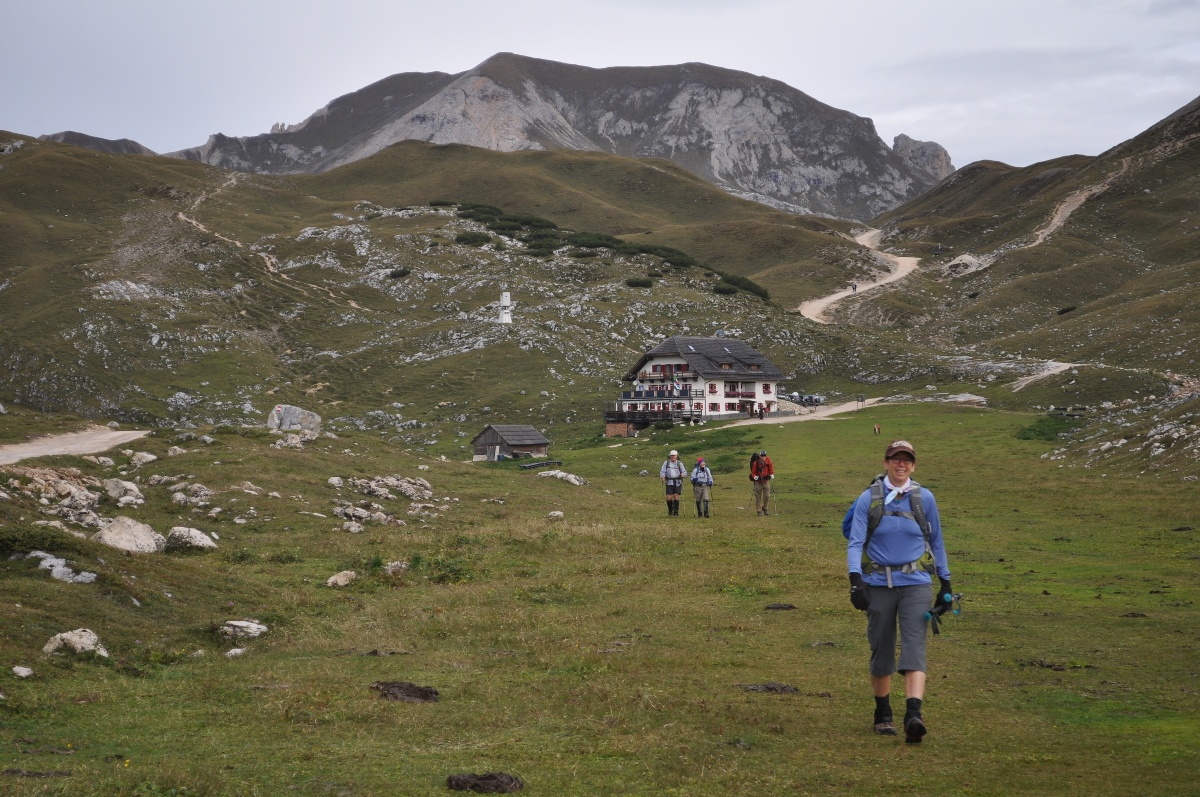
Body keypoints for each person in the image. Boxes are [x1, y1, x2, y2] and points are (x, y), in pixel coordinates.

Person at [846, 440, 952, 744]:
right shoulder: (869, 499)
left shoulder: (925, 499)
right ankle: (883, 713)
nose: (901, 464)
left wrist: (945, 583)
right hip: (877, 584)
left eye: (907, 460)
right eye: (895, 459)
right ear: (885, 463)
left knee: (914, 645)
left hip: (916, 583)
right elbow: (854, 542)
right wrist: (856, 580)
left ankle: (913, 714)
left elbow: (938, 542)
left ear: (913, 466)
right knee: (881, 645)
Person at [659, 450, 687, 516]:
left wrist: (683, 475)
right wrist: (662, 476)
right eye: (671, 455)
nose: (673, 457)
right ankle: (670, 510)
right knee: (669, 497)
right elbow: (662, 471)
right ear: (670, 456)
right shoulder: (666, 463)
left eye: (674, 455)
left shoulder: (679, 463)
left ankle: (676, 512)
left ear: (677, 456)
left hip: (677, 482)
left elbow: (684, 472)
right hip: (669, 482)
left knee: (676, 496)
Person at [750, 449, 774, 515]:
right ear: (759, 456)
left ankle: (765, 507)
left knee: (767, 496)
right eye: (762, 455)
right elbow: (753, 472)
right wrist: (754, 476)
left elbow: (771, 470)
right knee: (757, 496)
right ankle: (759, 510)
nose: (763, 457)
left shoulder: (769, 462)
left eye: (764, 455)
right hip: (758, 482)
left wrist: (772, 474)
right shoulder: (755, 463)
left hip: (766, 481)